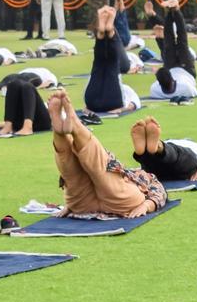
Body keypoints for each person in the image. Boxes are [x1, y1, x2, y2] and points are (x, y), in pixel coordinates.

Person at [48, 89, 165, 218]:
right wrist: (147, 205)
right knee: (86, 172)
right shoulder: (145, 176)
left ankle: (62, 131)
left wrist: (71, 202)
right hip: (114, 204)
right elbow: (160, 193)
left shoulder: (141, 175)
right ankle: (70, 127)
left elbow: (160, 192)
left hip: (84, 205)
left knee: (78, 174)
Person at [84, 7, 142, 114]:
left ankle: (105, 34)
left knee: (104, 64)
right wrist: (121, 109)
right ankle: (106, 34)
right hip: (109, 103)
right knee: (102, 64)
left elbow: (135, 103)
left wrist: (87, 108)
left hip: (93, 102)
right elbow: (135, 104)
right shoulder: (126, 90)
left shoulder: (126, 89)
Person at [130, 115, 197, 182]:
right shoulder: (191, 145)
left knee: (150, 159)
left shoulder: (177, 143)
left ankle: (142, 153)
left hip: (156, 174)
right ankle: (157, 147)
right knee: (174, 154)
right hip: (182, 170)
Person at [149, 0, 197, 100]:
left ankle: (169, 12)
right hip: (187, 70)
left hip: (171, 66)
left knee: (168, 41)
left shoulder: (155, 90)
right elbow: (195, 92)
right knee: (181, 41)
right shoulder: (186, 89)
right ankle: (175, 10)